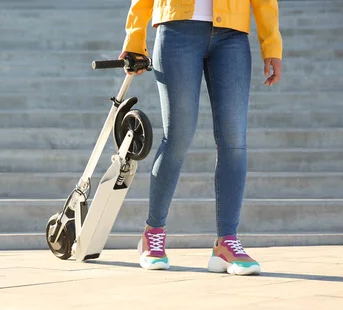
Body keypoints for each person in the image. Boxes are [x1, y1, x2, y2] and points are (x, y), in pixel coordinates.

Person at [120, 0, 283, 274]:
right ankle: (154, 232)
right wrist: (135, 37)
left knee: (234, 142)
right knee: (178, 137)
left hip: (232, 35)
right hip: (176, 30)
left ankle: (226, 242)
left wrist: (272, 44)